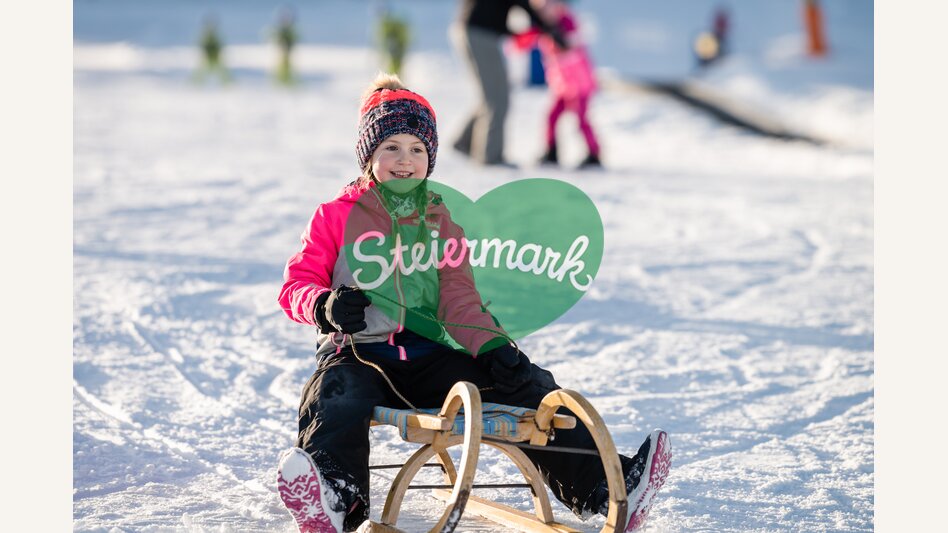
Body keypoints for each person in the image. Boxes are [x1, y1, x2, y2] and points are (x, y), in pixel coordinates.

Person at [276, 73, 671, 533]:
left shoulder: (441, 223)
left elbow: (460, 301)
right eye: (391, 148)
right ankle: (334, 499)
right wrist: (323, 305)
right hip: (359, 353)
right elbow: (296, 285)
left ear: (430, 159)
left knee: (526, 385)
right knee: (336, 397)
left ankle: (608, 487)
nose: (404, 161)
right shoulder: (335, 216)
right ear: (369, 155)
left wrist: (496, 348)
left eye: (417, 150)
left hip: (429, 355)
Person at [451, 0, 567, 167]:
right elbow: (523, 5)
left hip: (476, 31)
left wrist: (524, 31)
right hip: (480, 34)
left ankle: (465, 142)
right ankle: (491, 156)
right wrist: (549, 29)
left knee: (491, 94)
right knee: (498, 97)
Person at [514, 0, 602, 168]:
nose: (546, 13)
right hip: (563, 85)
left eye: (550, 7)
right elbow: (521, 43)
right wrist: (521, 36)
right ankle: (551, 151)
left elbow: (574, 46)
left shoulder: (566, 21)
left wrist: (561, 40)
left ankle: (594, 154)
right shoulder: (543, 26)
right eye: (542, 10)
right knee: (552, 116)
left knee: (582, 119)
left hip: (580, 83)